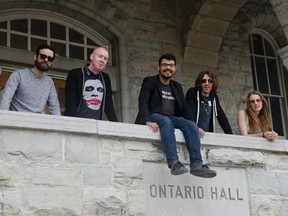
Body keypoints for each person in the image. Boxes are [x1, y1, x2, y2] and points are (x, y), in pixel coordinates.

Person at [135, 53, 216, 178]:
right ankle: (174, 163)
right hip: (153, 115)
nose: (168, 68)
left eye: (171, 65)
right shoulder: (150, 81)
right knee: (166, 122)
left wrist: (195, 125)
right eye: (165, 65)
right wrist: (146, 120)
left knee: (190, 124)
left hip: (171, 118)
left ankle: (197, 164)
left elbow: (184, 108)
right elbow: (143, 101)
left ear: (175, 68)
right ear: (159, 67)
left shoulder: (176, 86)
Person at [0, 44, 60, 115]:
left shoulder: (49, 82)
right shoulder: (18, 75)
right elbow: (6, 99)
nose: (46, 60)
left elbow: (54, 107)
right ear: (35, 56)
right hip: (18, 122)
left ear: (52, 62)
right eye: (43, 56)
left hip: (39, 123)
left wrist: (60, 125)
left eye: (50, 59)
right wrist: (3, 120)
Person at [64, 46, 118, 121]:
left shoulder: (105, 78)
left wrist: (116, 124)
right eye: (100, 56)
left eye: (105, 59)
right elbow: (70, 102)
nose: (102, 60)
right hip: (77, 123)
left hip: (96, 125)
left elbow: (108, 104)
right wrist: (74, 123)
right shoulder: (76, 74)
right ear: (92, 56)